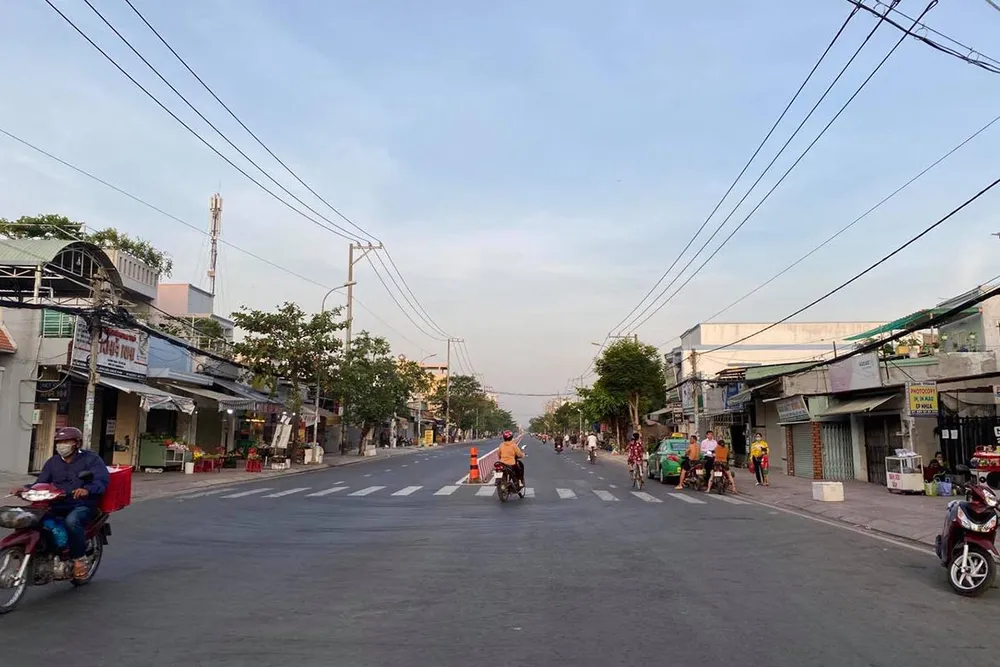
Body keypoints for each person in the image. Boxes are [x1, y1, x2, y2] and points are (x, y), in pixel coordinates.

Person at [14, 427, 109, 580]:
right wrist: (26, 489)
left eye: (66, 441)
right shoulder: (53, 462)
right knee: (29, 518)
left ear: (77, 443)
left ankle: (79, 559)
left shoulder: (91, 459)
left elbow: (101, 481)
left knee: (72, 521)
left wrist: (86, 490)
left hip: (81, 504)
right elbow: (41, 482)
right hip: (56, 503)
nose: (62, 445)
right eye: (59, 442)